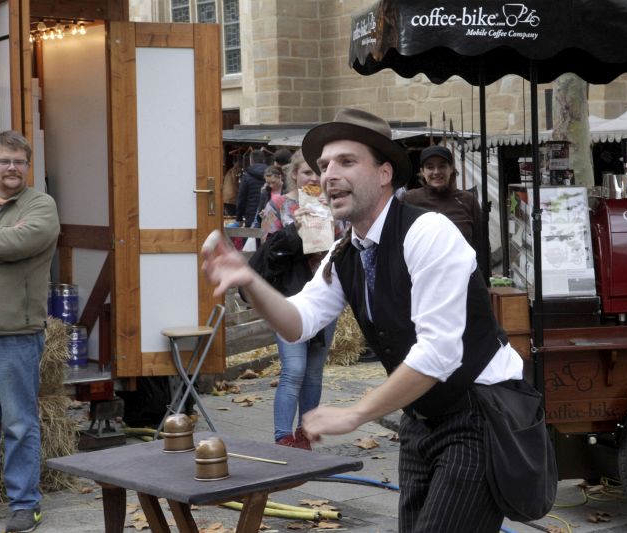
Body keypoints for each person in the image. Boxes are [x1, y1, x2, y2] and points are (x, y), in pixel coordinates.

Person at [203, 108, 523, 532]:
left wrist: (355, 413)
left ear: (384, 173)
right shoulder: (346, 252)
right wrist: (250, 279)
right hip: (422, 418)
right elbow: (298, 322)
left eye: (347, 162)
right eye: (324, 166)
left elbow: (439, 353)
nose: (329, 175)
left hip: (480, 412)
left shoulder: (428, 232)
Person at [0, 131, 59, 532]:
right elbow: (7, 247)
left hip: (16, 332)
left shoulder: (40, 205)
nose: (12, 168)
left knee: (19, 423)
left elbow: (21, 243)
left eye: (19, 162)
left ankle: (25, 504)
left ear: (27, 167)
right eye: (4, 161)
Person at [257, 150, 340, 449]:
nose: (314, 178)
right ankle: (283, 437)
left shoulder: (333, 203)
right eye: (307, 172)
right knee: (293, 370)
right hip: (289, 299)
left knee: (314, 372)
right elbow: (267, 252)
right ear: (294, 174)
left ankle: (305, 434)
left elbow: (345, 245)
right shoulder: (278, 205)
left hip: (324, 296)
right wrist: (295, 228)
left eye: (319, 171)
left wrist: (333, 225)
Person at [402, 144, 487, 278]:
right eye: (430, 167)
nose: (436, 172)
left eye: (442, 166)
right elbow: (400, 245)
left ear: (451, 169)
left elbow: (481, 246)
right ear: (422, 172)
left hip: (463, 280)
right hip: (422, 280)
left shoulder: (468, 200)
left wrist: (483, 282)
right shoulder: (409, 199)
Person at [235, 149, 268, 227]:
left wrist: (239, 217)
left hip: (251, 215)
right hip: (268, 214)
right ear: (263, 160)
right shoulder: (271, 174)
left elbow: (241, 198)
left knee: (251, 234)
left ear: (251, 160)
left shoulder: (246, 176)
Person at [252, 166, 285, 230]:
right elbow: (260, 210)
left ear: (280, 177)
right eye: (268, 183)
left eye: (273, 182)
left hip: (285, 227)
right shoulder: (265, 192)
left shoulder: (288, 190)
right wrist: (262, 214)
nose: (271, 185)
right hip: (270, 228)